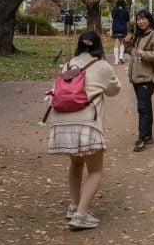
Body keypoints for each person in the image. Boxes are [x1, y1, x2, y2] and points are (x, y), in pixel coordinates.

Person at [44, 31, 121, 230]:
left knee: (76, 164)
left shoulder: (68, 64)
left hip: (62, 121)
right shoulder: (102, 66)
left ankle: (74, 205)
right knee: (95, 170)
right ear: (98, 46)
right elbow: (114, 90)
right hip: (86, 122)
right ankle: (81, 215)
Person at [127, 10, 154, 151]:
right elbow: (132, 53)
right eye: (138, 19)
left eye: (143, 19)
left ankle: (141, 138)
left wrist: (144, 54)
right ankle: (148, 135)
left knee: (142, 107)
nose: (141, 22)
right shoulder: (139, 35)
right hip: (137, 76)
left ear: (149, 20)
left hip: (147, 77)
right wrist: (127, 45)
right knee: (146, 107)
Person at [110, 0, 130, 64]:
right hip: (123, 29)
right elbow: (127, 19)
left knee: (116, 44)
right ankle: (121, 56)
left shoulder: (114, 10)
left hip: (116, 28)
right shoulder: (125, 11)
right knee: (122, 42)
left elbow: (113, 17)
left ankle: (116, 60)